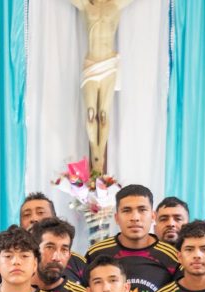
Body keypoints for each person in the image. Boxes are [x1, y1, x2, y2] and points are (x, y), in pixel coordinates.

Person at [86, 184, 179, 292]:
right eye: (127, 210)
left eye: (142, 210)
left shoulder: (171, 256)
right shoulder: (96, 253)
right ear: (116, 218)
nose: (135, 217)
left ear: (153, 216)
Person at [70, 0, 132, 175]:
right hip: (91, 65)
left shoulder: (115, 4)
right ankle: (95, 156)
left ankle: (99, 159)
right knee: (91, 114)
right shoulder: (86, 5)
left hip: (109, 65)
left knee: (103, 115)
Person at [19, 192, 86, 283]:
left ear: (54, 218)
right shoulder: (11, 261)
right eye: (27, 214)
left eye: (40, 212)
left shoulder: (76, 262)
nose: (33, 219)